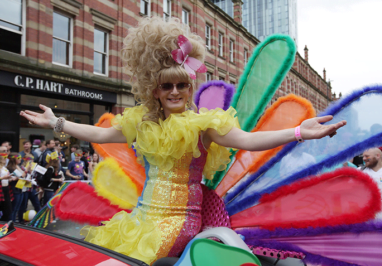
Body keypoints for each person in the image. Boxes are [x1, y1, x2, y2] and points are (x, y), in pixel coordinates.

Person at [19, 16, 345, 264]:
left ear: (189, 88)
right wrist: (57, 122)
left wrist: (301, 131)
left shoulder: (203, 125)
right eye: (166, 86)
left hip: (179, 223)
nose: (174, 92)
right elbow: (102, 134)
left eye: (181, 85)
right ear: (155, 90)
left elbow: (248, 140)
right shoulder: (143, 121)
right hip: (142, 218)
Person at [6, 153, 26, 222]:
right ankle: (11, 223)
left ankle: (14, 223)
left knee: (16, 209)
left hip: (19, 189)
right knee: (13, 209)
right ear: (13, 159)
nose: (20, 159)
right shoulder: (10, 168)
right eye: (18, 158)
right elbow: (22, 176)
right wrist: (28, 168)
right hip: (14, 190)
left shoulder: (17, 166)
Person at [0, 148, 13, 221]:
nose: (6, 159)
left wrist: (9, 179)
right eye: (4, 157)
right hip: (1, 189)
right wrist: (3, 178)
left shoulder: (4, 167)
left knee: (8, 210)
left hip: (6, 189)